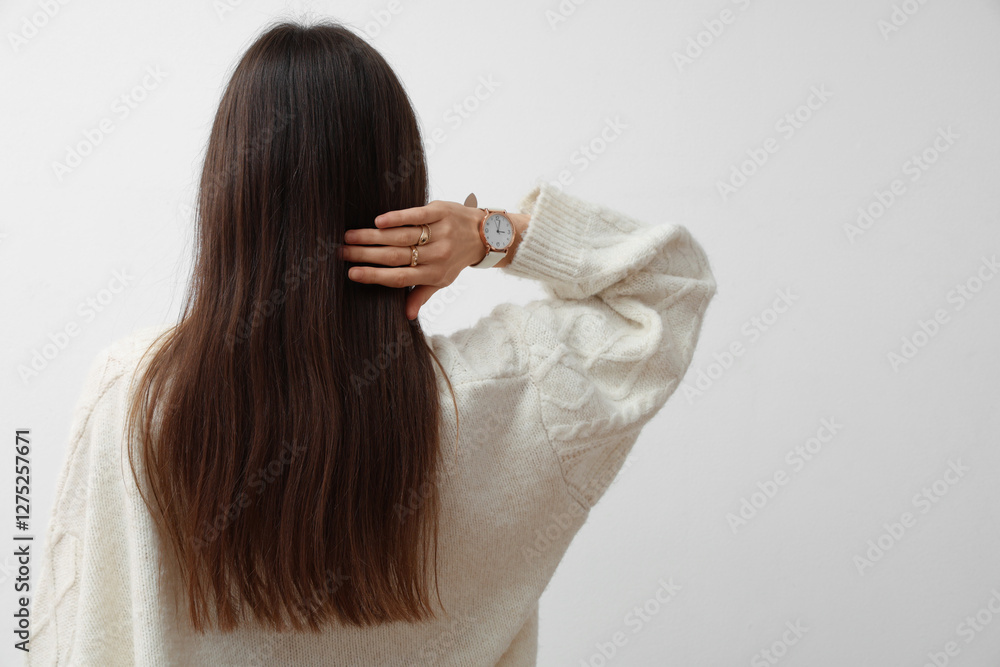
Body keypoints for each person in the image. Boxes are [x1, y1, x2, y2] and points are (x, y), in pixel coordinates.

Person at [26, 20, 717, 667]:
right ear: (402, 193)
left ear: (226, 196)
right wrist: (491, 233)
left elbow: (68, 634)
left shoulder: (135, 395)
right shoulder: (502, 399)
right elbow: (672, 282)